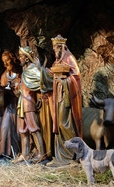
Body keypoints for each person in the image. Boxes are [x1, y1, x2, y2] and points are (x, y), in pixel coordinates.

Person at [37, 35, 82, 165]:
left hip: (67, 98)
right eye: (53, 48)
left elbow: (76, 77)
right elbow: (51, 75)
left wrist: (65, 81)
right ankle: (60, 157)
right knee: (58, 125)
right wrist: (42, 70)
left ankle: (71, 156)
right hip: (58, 98)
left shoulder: (70, 58)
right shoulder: (57, 62)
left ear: (62, 47)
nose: (55, 51)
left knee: (65, 124)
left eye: (56, 48)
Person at [13, 46, 45, 163]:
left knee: (34, 128)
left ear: (27, 58)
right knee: (23, 130)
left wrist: (40, 68)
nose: (19, 58)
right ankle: (25, 155)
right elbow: (24, 89)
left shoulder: (31, 70)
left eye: (21, 56)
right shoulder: (25, 72)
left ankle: (42, 154)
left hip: (29, 104)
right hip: (22, 103)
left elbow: (41, 81)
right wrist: (18, 87)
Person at [0, 51, 21, 157]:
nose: (6, 64)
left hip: (20, 106)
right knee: (5, 128)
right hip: (10, 106)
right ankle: (4, 154)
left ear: (12, 59)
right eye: (4, 62)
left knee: (19, 131)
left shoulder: (20, 72)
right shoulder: (5, 75)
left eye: (7, 60)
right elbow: (1, 93)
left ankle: (19, 153)